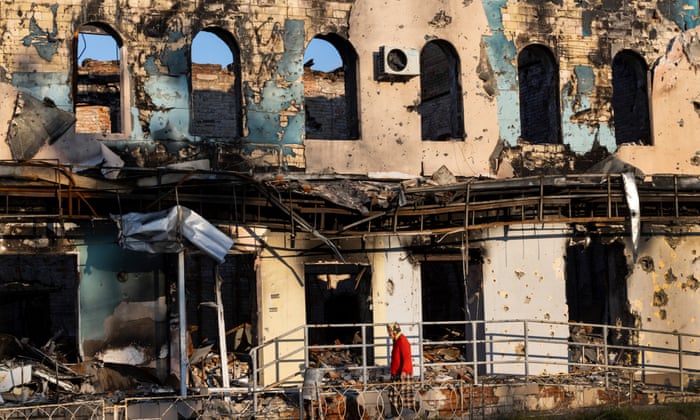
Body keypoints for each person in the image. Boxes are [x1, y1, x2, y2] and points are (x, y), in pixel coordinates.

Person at [387, 322, 414, 416]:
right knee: (393, 395)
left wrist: (404, 371)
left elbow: (407, 357)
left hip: (403, 374)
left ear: (394, 331)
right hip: (396, 373)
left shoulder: (402, 340)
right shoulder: (396, 341)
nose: (388, 334)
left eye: (389, 332)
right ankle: (397, 415)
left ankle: (409, 415)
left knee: (405, 397)